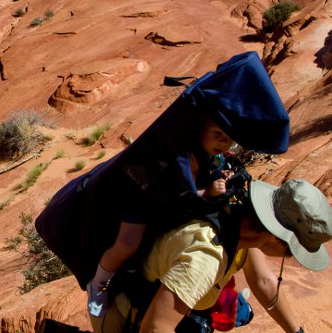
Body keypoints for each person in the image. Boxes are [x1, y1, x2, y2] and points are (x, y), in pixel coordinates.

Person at [86, 178, 332, 333]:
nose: (291, 258)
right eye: (293, 251)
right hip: (131, 324)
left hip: (161, 313)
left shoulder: (241, 225)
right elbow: (155, 330)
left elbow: (265, 283)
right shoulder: (207, 255)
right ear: (276, 237)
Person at [86, 117, 235, 318]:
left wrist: (220, 178)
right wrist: (207, 192)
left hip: (162, 204)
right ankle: (98, 283)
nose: (223, 142)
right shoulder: (181, 150)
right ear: (200, 129)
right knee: (127, 243)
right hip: (141, 193)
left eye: (229, 138)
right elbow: (175, 193)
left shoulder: (208, 155)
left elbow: (207, 176)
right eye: (217, 134)